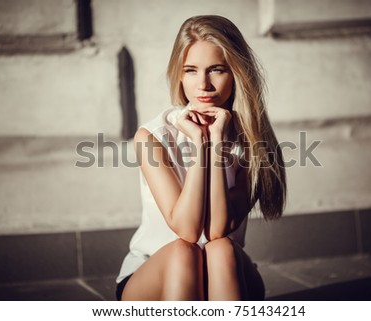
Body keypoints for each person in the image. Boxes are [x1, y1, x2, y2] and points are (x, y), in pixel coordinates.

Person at [116, 15, 286, 301]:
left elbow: (218, 230)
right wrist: (198, 142)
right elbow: (188, 230)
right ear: (179, 75)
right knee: (184, 252)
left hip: (225, 271)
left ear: (237, 74)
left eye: (216, 70)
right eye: (191, 70)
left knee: (221, 249)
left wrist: (215, 143)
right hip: (153, 275)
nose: (203, 84)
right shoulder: (152, 136)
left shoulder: (255, 142)